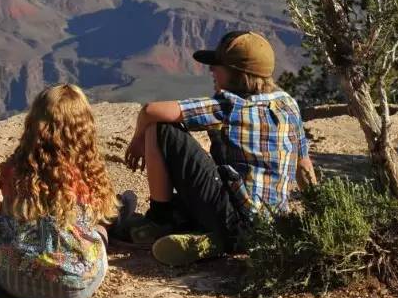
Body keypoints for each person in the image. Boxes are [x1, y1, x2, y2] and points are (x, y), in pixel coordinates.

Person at [113, 30, 317, 266]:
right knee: (193, 196)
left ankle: (160, 220)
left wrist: (138, 139)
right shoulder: (288, 104)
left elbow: (151, 111)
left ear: (236, 75)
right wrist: (319, 212)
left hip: (232, 216)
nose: (211, 70)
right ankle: (216, 240)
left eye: (217, 66)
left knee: (160, 128)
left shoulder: (231, 106)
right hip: (269, 226)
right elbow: (304, 165)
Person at [0, 84, 119, 298]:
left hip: (14, 281)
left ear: (33, 124)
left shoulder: (13, 170)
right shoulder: (88, 173)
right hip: (75, 285)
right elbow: (102, 213)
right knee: (99, 229)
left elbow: (7, 214)